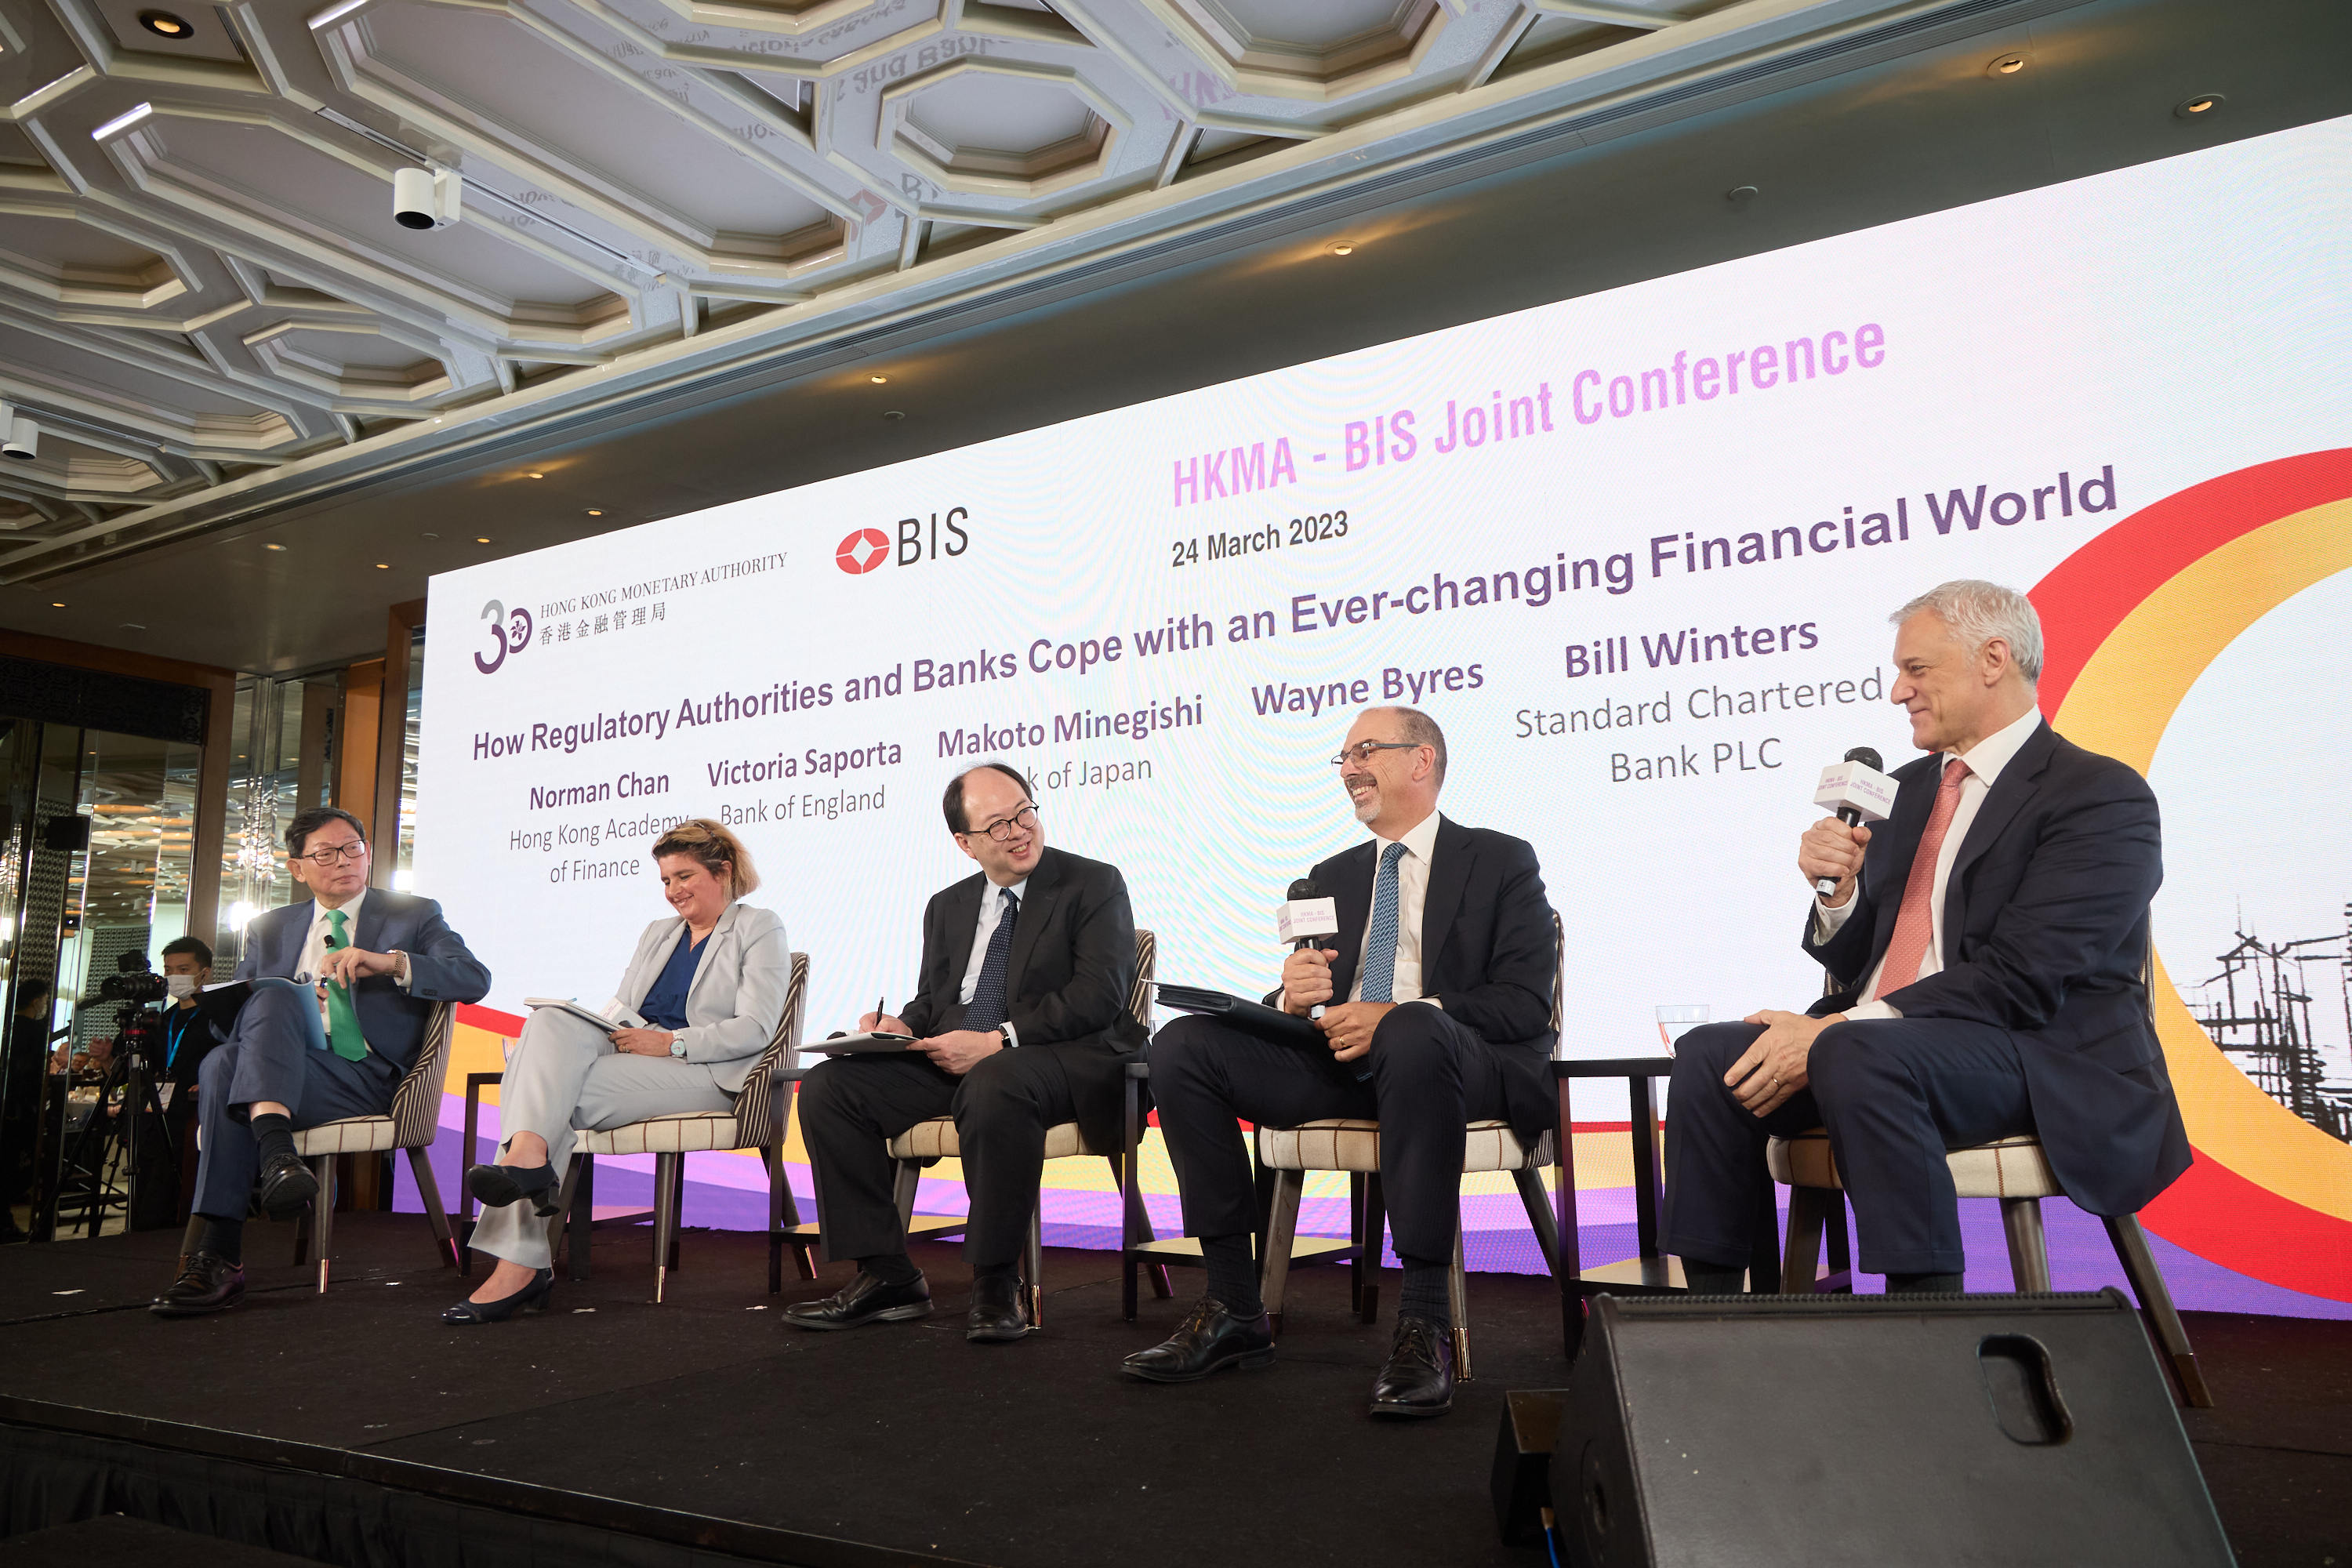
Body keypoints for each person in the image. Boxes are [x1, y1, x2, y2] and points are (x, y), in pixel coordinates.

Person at [1660, 580, 2190, 1294]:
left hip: (2035, 1053)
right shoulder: (1904, 792)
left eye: (1916, 669)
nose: (1895, 691)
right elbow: (1865, 962)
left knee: (1854, 1050)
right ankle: (1719, 1326)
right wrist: (1840, 898)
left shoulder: (2097, 794)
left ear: (1993, 658)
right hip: (1879, 1047)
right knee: (1710, 1058)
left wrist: (1839, 1028)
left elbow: (2024, 977)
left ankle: (1927, 1328)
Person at [1123, 707, 1556, 1418]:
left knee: (1412, 1033)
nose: (1349, 768)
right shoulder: (1327, 876)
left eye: (1365, 751)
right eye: (1343, 757)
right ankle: (1234, 1306)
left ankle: (1424, 1323)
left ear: (1422, 761)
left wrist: (1403, 1017)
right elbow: (1309, 989)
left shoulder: (1502, 860)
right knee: (1183, 1043)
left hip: (1459, 1066)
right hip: (1344, 1064)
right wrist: (1290, 999)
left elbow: (1523, 1005)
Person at [785, 763, 1145, 1343]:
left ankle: (996, 1280)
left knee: (996, 1079)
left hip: (1067, 1058)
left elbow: (1098, 997)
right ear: (965, 842)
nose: (1020, 830)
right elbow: (937, 1000)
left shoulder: (1093, 884)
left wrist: (1000, 1038)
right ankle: (886, 1274)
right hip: (962, 1057)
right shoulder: (948, 905)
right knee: (832, 1087)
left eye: (1024, 812)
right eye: (999, 825)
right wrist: (897, 1026)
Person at [151, 807, 492, 1316]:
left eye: (353, 848)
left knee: (229, 1064)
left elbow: (473, 978)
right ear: (297, 868)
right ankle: (274, 1162)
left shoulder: (412, 914)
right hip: (287, 1071)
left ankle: (218, 1249)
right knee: (237, 1043)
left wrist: (389, 962)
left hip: (365, 1076)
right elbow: (229, 1024)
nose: (343, 861)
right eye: (326, 853)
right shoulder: (270, 928)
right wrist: (275, 1008)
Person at [455, 818, 788, 1323]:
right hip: (636, 1063)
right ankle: (528, 1162)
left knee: (547, 1100)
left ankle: (518, 1265)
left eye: (684, 876)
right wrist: (588, 1037)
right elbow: (622, 1010)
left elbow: (757, 1029)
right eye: (665, 881)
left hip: (708, 1072)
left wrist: (672, 1042)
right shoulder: (658, 934)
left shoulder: (758, 926)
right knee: (549, 1021)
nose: (673, 891)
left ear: (722, 872)